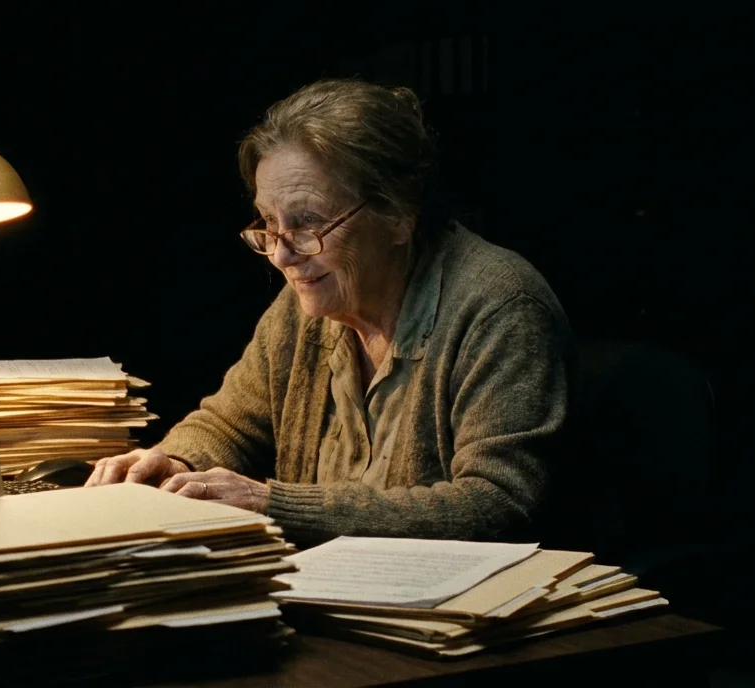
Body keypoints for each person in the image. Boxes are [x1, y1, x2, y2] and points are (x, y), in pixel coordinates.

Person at [86, 78, 577, 546]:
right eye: (270, 223)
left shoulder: (501, 307)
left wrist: (272, 503)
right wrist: (175, 463)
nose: (281, 254)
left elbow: (500, 503)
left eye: (309, 222)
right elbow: (228, 422)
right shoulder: (305, 310)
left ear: (400, 214)